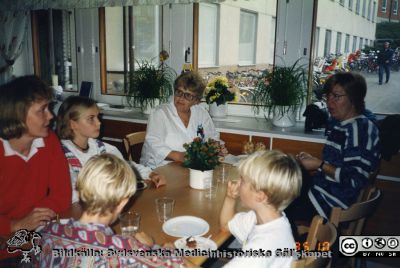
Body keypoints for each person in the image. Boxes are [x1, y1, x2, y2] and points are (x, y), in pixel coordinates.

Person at [34, 153, 185, 267]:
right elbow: (175, 264)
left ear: (79, 193)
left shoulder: (46, 233)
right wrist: (162, 249)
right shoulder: (124, 251)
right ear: (122, 203)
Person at [286, 72, 380, 223]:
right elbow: (336, 166)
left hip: (330, 204)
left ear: (354, 98)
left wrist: (319, 164)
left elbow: (354, 181)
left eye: (336, 96)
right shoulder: (342, 125)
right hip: (320, 192)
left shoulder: (359, 130)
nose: (330, 102)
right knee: (278, 188)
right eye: (328, 96)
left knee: (272, 205)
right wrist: (315, 161)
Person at [0, 75, 71, 261]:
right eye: (42, 110)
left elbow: (62, 196)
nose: (51, 116)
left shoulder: (49, 141)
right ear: (17, 115)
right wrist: (15, 225)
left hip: (34, 241)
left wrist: (35, 219)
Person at [56, 96, 165, 204]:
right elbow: (69, 193)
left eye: (98, 117)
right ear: (73, 124)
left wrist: (150, 174)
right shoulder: (61, 155)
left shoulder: (102, 148)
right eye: (91, 119)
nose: (99, 123)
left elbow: (125, 166)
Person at [220, 150, 302, 267]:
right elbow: (227, 225)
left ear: (260, 196)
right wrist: (230, 198)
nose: (237, 183)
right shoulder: (264, 218)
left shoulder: (263, 245)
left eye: (242, 180)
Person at [140, 71, 222, 169]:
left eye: (188, 95)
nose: (181, 98)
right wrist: (179, 156)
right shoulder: (160, 113)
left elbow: (212, 136)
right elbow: (153, 144)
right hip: (158, 170)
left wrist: (216, 147)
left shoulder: (201, 113)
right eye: (179, 92)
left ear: (196, 100)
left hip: (190, 168)